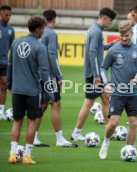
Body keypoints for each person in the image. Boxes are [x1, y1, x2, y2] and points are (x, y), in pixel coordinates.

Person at [99, 22, 137, 159]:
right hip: (117, 93)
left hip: (133, 94)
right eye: (121, 36)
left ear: (131, 34)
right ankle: (106, 141)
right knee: (113, 122)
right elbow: (103, 68)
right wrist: (106, 84)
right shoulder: (113, 50)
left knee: (133, 123)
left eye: (126, 36)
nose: (124, 38)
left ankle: (128, 149)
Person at [7, 16, 54, 164]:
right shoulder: (40, 47)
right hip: (32, 91)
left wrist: (9, 84)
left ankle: (12, 154)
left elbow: (10, 65)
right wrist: (50, 93)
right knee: (32, 122)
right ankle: (27, 156)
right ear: (39, 28)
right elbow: (45, 72)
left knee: (17, 121)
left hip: (17, 90)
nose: (44, 31)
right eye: (43, 28)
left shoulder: (16, 42)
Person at [70, 8, 117, 141]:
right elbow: (92, 53)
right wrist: (97, 75)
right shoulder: (96, 31)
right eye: (110, 20)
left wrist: (110, 45)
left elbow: (98, 48)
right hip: (94, 74)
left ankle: (109, 130)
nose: (110, 23)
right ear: (104, 18)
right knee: (89, 103)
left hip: (94, 73)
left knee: (105, 99)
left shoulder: (94, 29)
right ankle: (76, 133)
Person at [33, 9, 76, 147]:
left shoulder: (37, 33)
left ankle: (33, 136)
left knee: (43, 105)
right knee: (55, 104)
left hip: (37, 73)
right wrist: (59, 75)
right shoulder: (51, 34)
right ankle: (59, 139)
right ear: (54, 19)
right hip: (49, 75)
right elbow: (52, 56)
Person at [0, 5, 14, 120]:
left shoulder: (10, 30)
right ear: (1, 14)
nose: (8, 17)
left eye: (10, 15)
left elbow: (11, 47)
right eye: (6, 15)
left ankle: (1, 111)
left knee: (4, 85)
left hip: (4, 62)